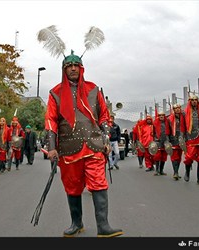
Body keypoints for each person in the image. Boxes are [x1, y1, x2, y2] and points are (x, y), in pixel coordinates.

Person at [44, 51, 123, 237]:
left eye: (76, 65)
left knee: (98, 182)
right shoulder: (55, 93)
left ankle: (103, 226)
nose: (73, 68)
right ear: (64, 70)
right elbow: (51, 121)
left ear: (81, 68)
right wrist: (52, 147)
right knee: (72, 186)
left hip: (94, 144)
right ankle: (76, 223)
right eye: (69, 66)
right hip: (69, 148)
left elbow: (103, 116)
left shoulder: (93, 89)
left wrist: (105, 138)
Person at [183, 94, 199, 185]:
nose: (194, 101)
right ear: (190, 101)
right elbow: (182, 126)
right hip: (190, 137)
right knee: (189, 157)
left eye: (195, 100)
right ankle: (187, 172)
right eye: (192, 100)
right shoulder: (185, 112)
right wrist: (182, 137)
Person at [168, 103, 186, 180]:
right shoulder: (170, 119)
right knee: (174, 156)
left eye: (179, 108)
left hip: (182, 139)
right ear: (174, 110)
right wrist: (168, 140)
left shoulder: (184, 117)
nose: (177, 109)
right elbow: (167, 130)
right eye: (176, 108)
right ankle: (175, 172)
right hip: (173, 139)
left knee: (179, 157)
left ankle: (176, 171)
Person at [152, 111, 171, 176]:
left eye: (162, 115)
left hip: (165, 141)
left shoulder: (167, 123)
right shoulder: (155, 123)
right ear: (158, 116)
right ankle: (157, 170)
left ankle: (161, 170)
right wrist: (155, 140)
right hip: (158, 141)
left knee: (163, 157)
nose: (161, 117)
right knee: (157, 156)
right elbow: (153, 133)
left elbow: (170, 132)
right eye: (160, 116)